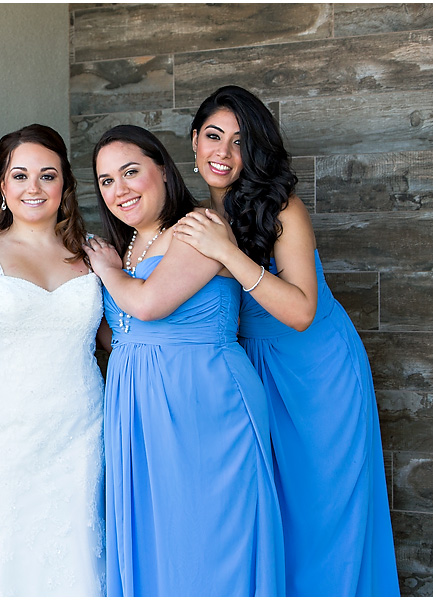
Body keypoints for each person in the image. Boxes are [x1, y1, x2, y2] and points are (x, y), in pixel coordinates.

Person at [174, 84, 399, 596]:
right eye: (213, 136)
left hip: (318, 371)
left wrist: (228, 253)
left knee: (326, 517)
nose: (223, 153)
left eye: (239, 141)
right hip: (253, 370)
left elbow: (300, 310)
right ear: (193, 141)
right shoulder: (195, 216)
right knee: (275, 513)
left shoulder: (282, 207)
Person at [84, 124, 284, 596]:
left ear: (164, 171)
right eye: (107, 181)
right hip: (137, 406)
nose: (120, 189)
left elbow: (149, 305)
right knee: (159, 538)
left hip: (204, 402)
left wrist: (107, 272)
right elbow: (123, 335)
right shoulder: (129, 245)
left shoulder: (199, 227)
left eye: (131, 172)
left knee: (207, 540)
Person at [0, 124, 105, 596]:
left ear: (65, 186)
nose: (33, 188)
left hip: (81, 433)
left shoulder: (91, 255)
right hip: (1, 438)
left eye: (47, 175)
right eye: (20, 175)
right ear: (3, 185)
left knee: (77, 557)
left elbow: (116, 339)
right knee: (4, 561)